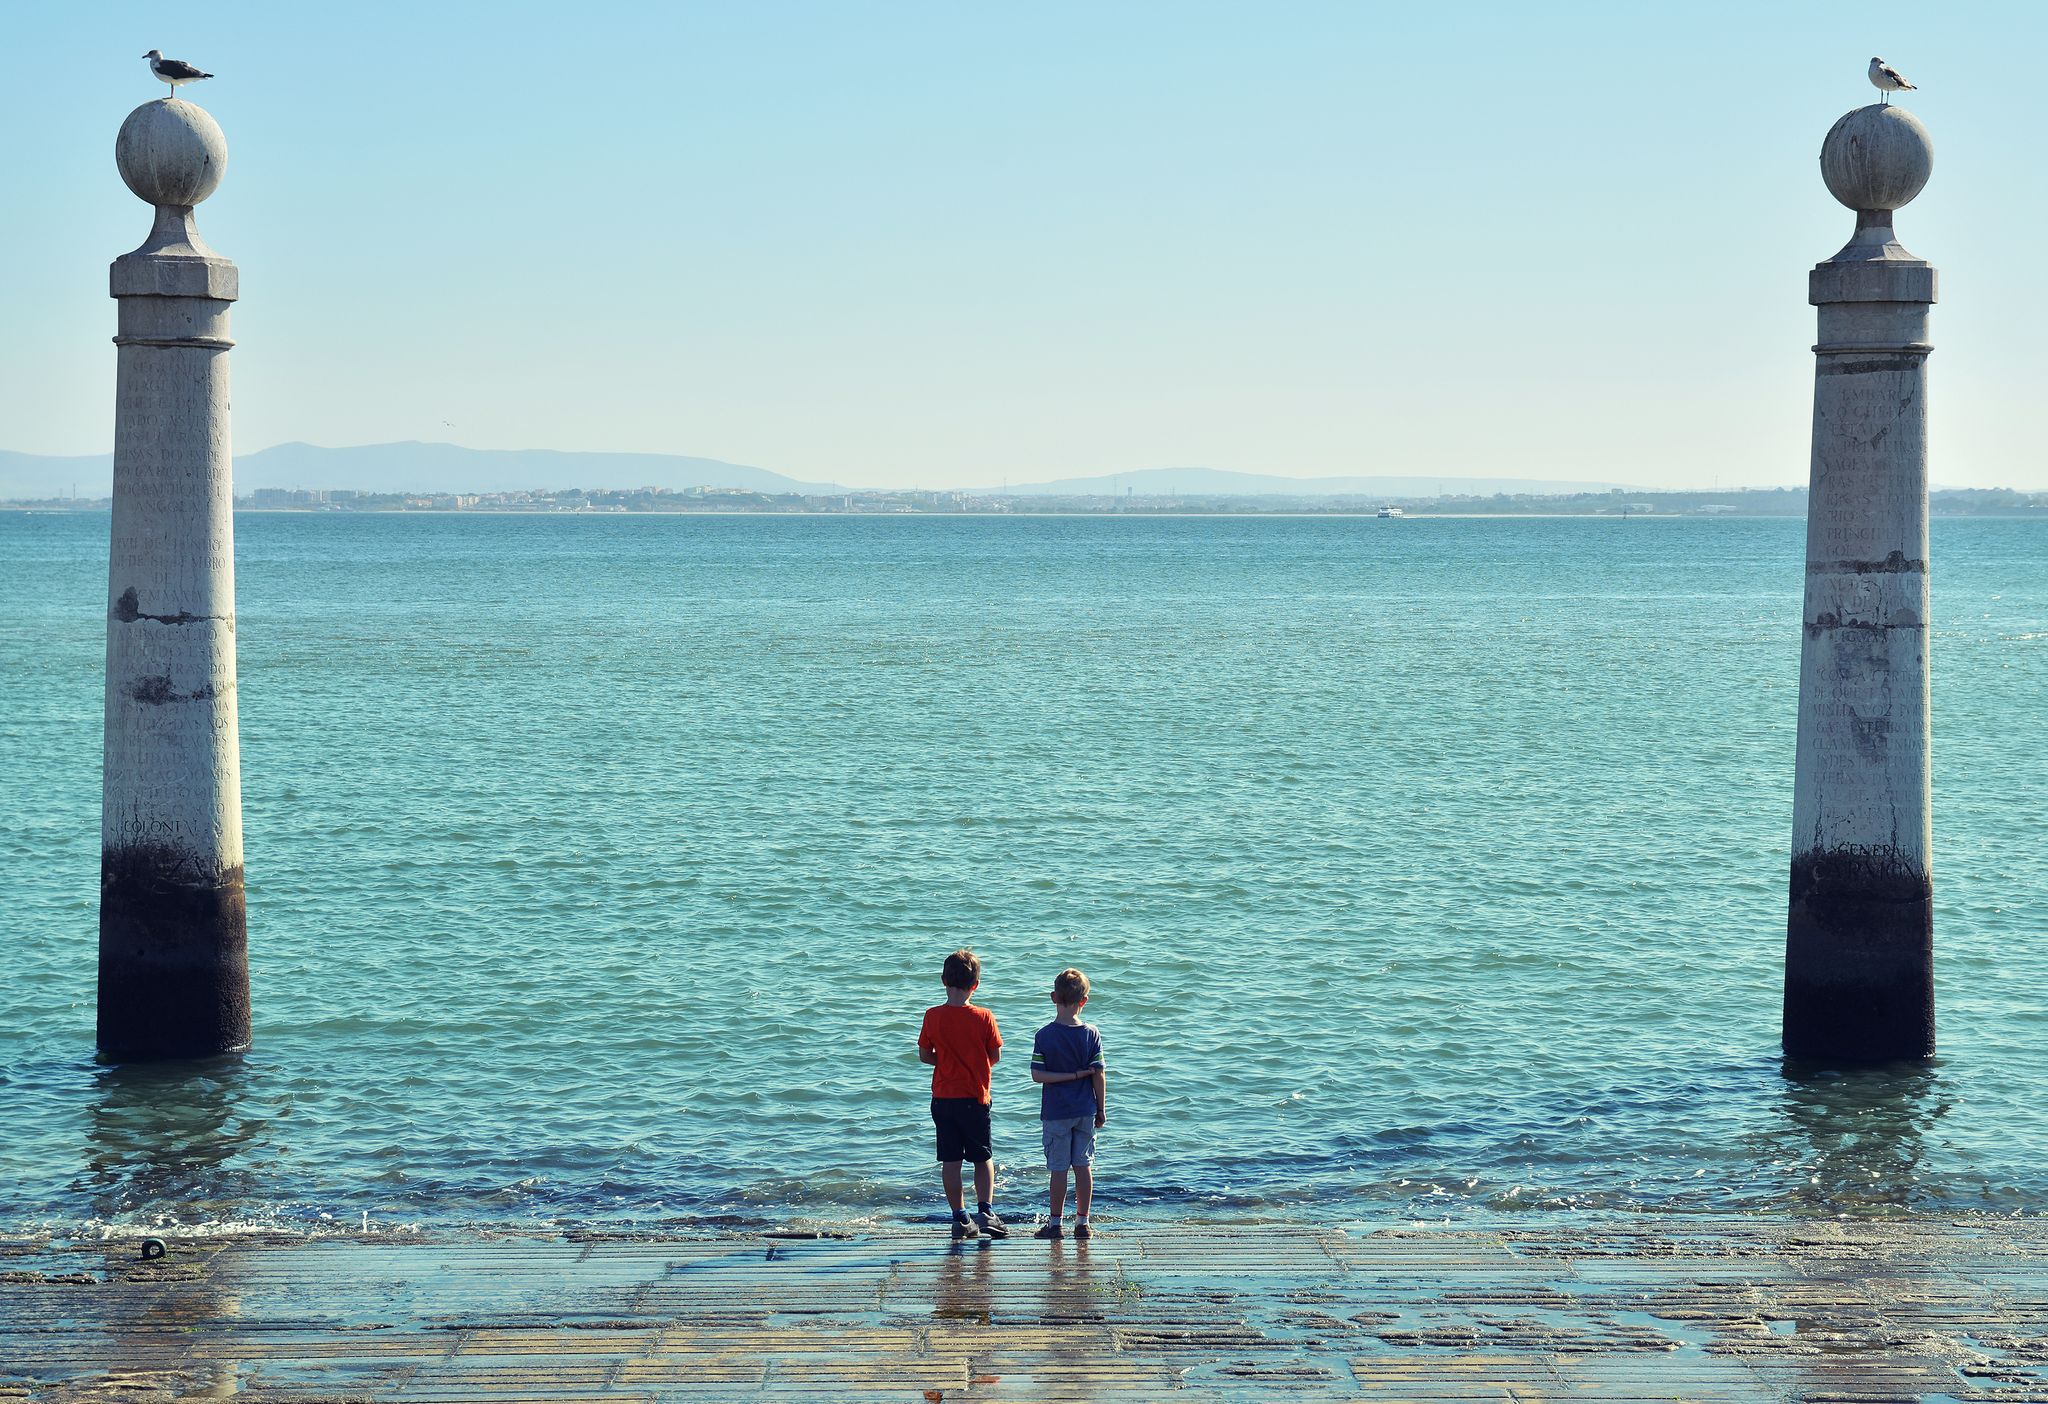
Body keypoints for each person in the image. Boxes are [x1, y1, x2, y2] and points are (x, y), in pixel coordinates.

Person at [917, 949, 1008, 1239]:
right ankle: (986, 1212)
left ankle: (960, 1217)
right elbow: (995, 1056)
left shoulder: (932, 1016)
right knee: (983, 1157)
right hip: (975, 1097)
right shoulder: (984, 1016)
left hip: (943, 1098)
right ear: (976, 984)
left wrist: (944, 1061)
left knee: (951, 1160)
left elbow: (923, 1055)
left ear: (943, 980)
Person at [1029, 967, 1106, 1240]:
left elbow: (1038, 1075)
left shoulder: (1045, 1035)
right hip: (1085, 1109)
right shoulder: (1091, 1034)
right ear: (1083, 1001)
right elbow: (1099, 1074)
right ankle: (1082, 1223)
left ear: (1053, 997)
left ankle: (1055, 1224)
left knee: (1059, 1169)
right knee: (1083, 1165)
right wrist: (1101, 1108)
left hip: (1056, 1112)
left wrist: (1067, 1076)